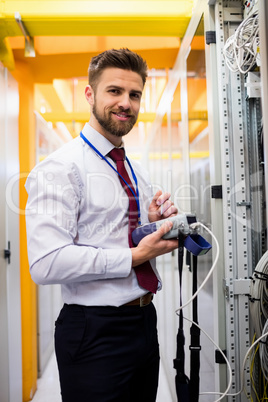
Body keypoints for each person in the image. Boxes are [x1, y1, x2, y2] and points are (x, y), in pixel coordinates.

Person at [25, 48, 178, 402]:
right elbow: (46, 263)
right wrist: (134, 256)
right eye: (114, 91)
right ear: (90, 95)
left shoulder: (135, 170)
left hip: (142, 321)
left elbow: (116, 231)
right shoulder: (60, 169)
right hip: (94, 331)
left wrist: (151, 224)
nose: (126, 103)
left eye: (134, 94)